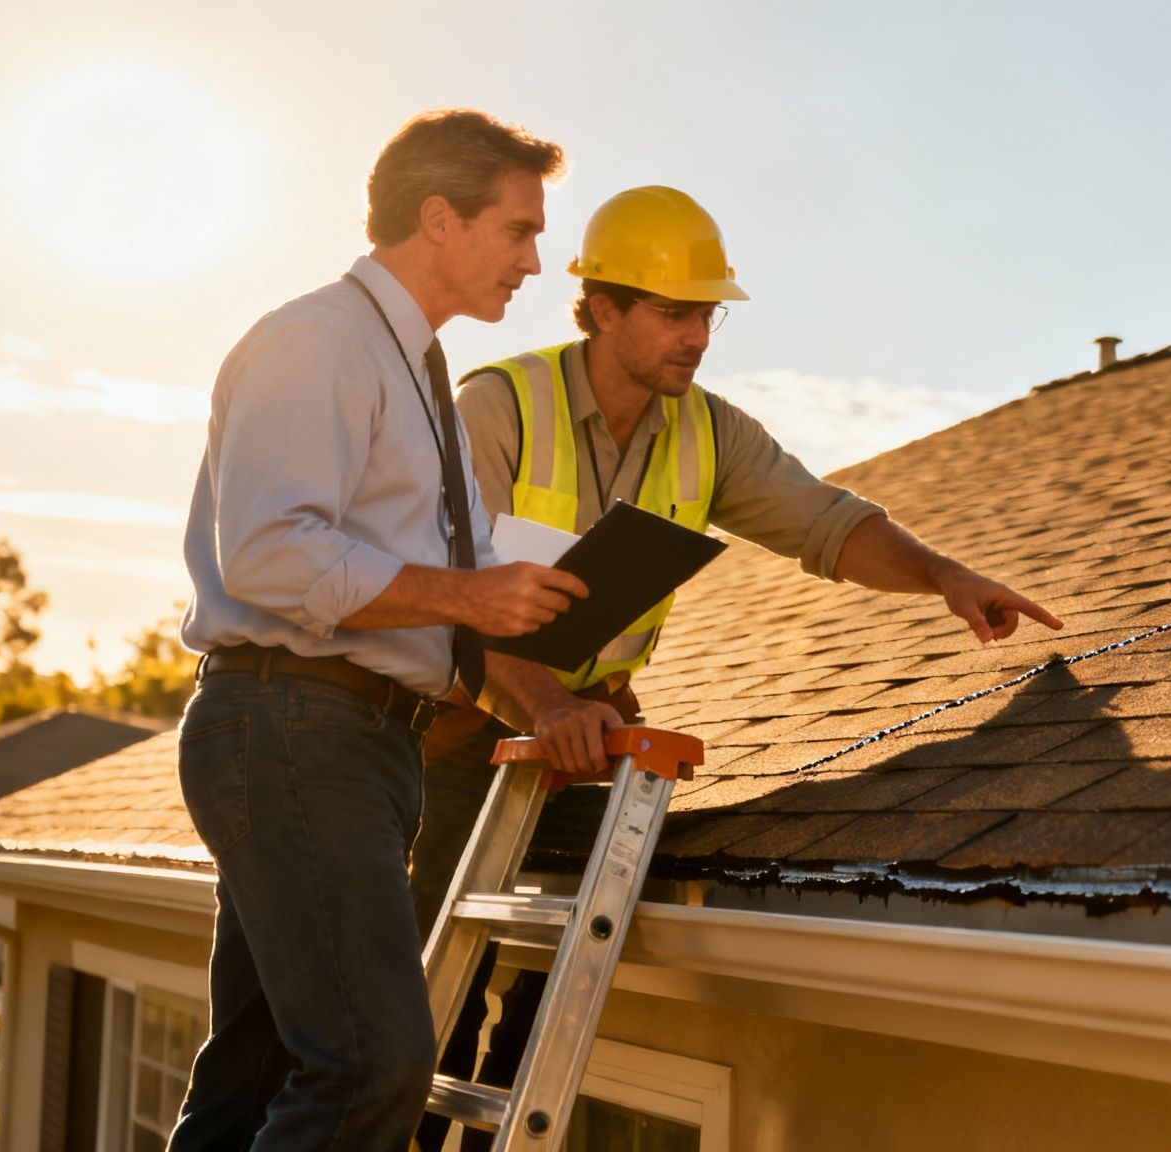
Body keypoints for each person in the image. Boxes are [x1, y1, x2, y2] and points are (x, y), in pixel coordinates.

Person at [409, 185, 1061, 1146]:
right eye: (674, 312)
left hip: (593, 728)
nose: (698, 337)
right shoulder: (500, 405)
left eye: (707, 314)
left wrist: (943, 575)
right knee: (425, 999)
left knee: (568, 971)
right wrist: (543, 706)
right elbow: (460, 597)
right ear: (601, 308)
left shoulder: (708, 431)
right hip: (465, 730)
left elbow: (827, 524)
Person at [168, 109, 591, 1151]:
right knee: (372, 1066)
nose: (536, 263)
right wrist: (464, 601)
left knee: (256, 1079)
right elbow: (266, 554)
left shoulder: (421, 374)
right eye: (518, 231)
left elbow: (464, 563)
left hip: (346, 738)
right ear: (438, 219)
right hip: (295, 727)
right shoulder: (319, 343)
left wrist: (542, 597)